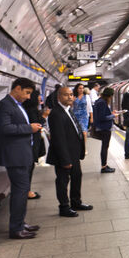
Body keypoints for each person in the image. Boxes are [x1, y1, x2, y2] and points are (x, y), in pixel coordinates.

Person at [0, 77, 42, 239]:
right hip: (15, 156)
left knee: (20, 191)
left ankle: (20, 223)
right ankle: (16, 229)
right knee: (20, 192)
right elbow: (5, 128)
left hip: (22, 154)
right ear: (17, 88)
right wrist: (30, 128)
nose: (28, 97)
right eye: (27, 93)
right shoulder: (4, 105)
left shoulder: (16, 105)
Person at [46, 87, 93, 217]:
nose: (70, 97)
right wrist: (65, 160)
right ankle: (64, 207)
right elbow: (58, 139)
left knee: (77, 177)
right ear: (59, 97)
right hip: (64, 156)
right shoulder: (56, 114)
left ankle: (76, 202)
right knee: (62, 181)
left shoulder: (68, 110)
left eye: (71, 95)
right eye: (66, 95)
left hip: (74, 154)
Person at [22, 88, 50, 200]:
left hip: (32, 142)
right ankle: (27, 191)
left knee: (30, 166)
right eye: (38, 95)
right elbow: (37, 125)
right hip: (31, 142)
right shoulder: (31, 110)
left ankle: (27, 190)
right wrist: (44, 116)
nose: (40, 98)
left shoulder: (29, 108)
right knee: (29, 167)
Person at [93, 87, 116, 173]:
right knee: (104, 147)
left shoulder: (99, 101)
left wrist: (111, 113)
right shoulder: (102, 103)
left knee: (105, 147)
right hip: (104, 128)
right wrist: (113, 116)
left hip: (102, 127)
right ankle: (104, 167)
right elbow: (102, 117)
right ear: (109, 96)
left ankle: (104, 165)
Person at [72, 83, 91, 150]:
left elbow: (89, 107)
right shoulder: (73, 96)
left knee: (84, 132)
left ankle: (84, 148)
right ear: (77, 89)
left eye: (82, 88)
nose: (81, 89)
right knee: (75, 132)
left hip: (84, 116)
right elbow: (70, 107)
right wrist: (72, 101)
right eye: (80, 88)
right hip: (75, 115)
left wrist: (91, 117)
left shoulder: (86, 96)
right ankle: (76, 147)